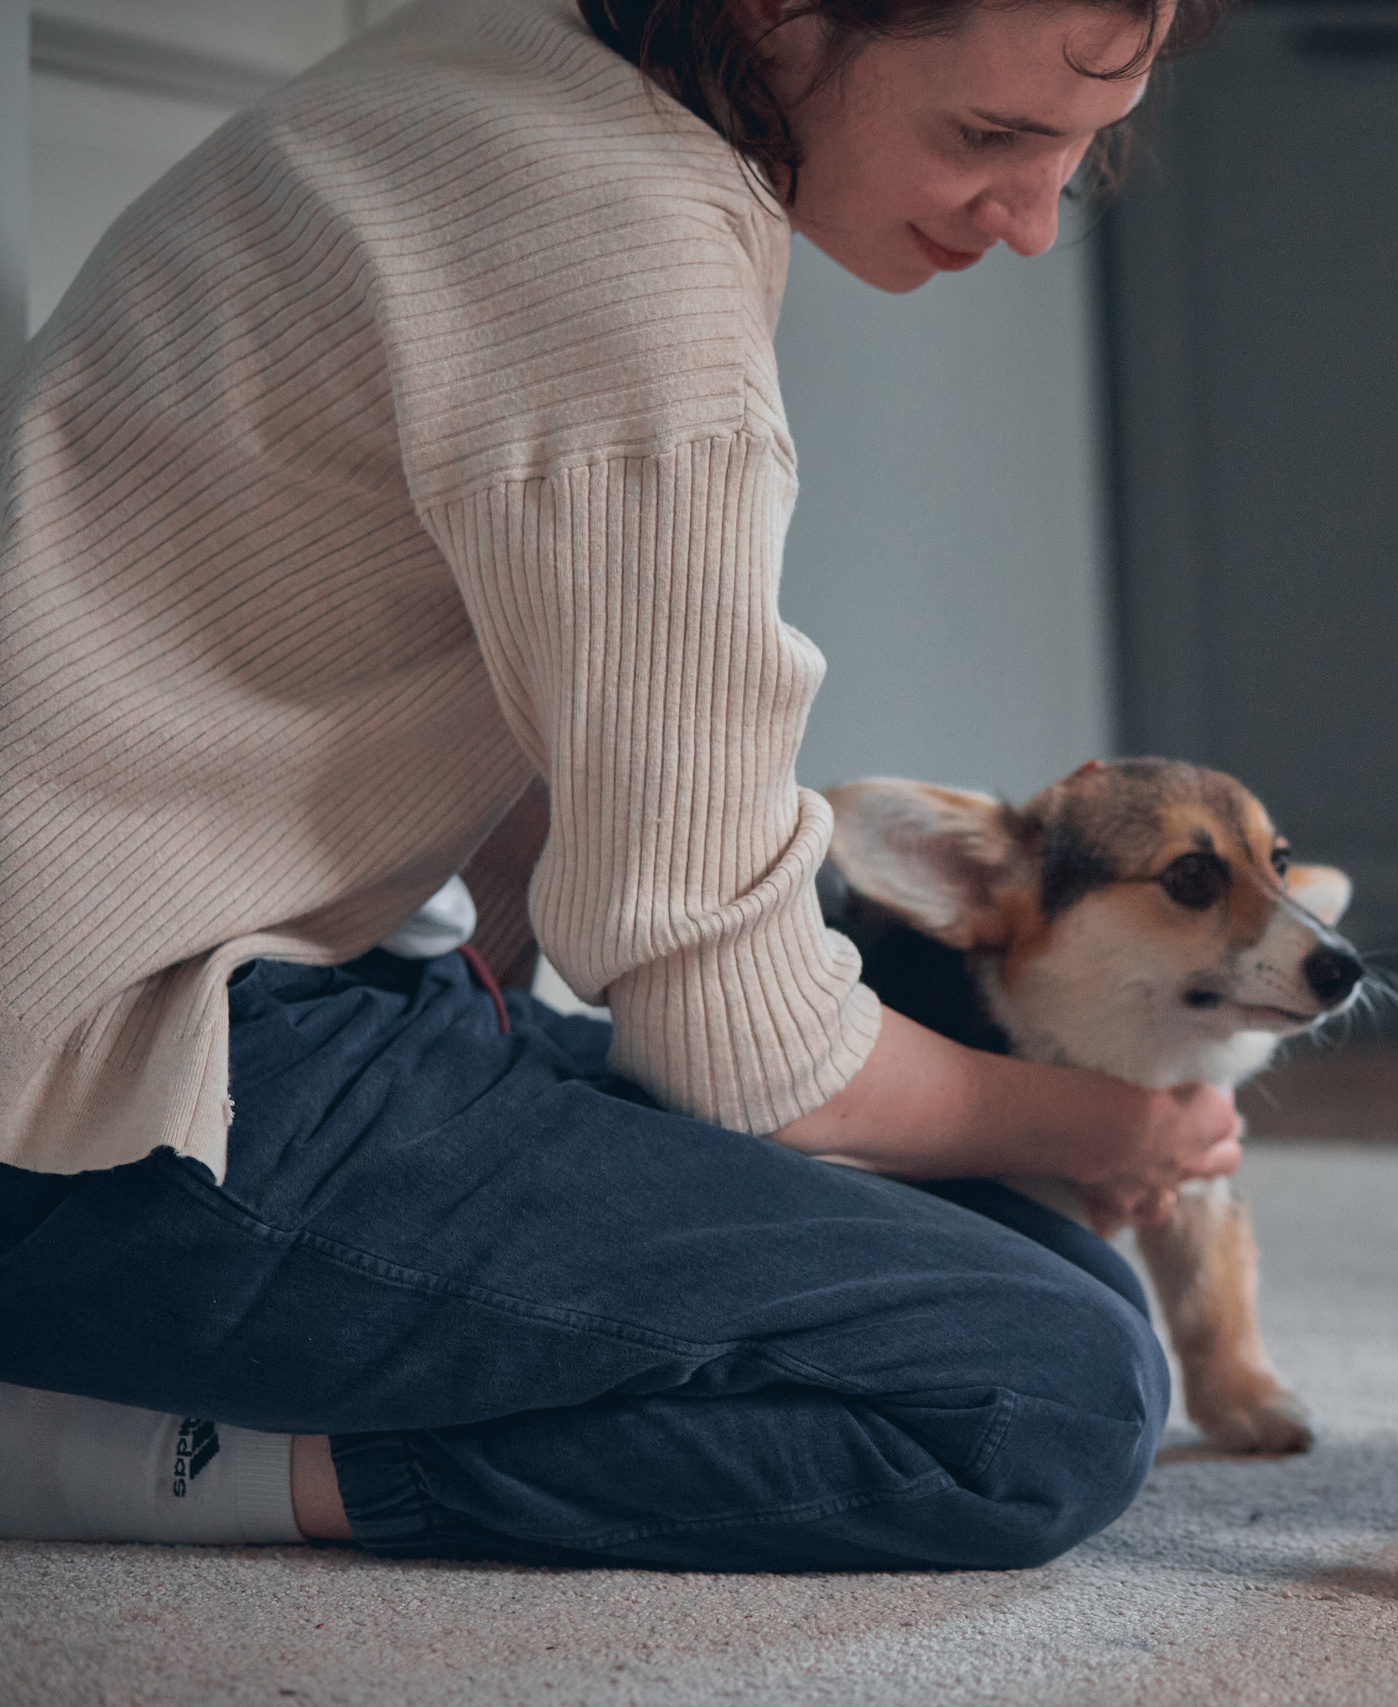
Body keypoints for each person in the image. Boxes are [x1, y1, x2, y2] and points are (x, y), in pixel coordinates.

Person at [0, 0, 1238, 1570]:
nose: (1032, 221)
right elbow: (743, 1044)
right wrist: (1089, 1114)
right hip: (104, 1102)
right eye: (991, 137)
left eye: (1082, 146)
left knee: (1048, 1265)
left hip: (268, 995)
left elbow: (570, 849)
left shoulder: (508, 62)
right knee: (1044, 1392)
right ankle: (119, 1457)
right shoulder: (630, 253)